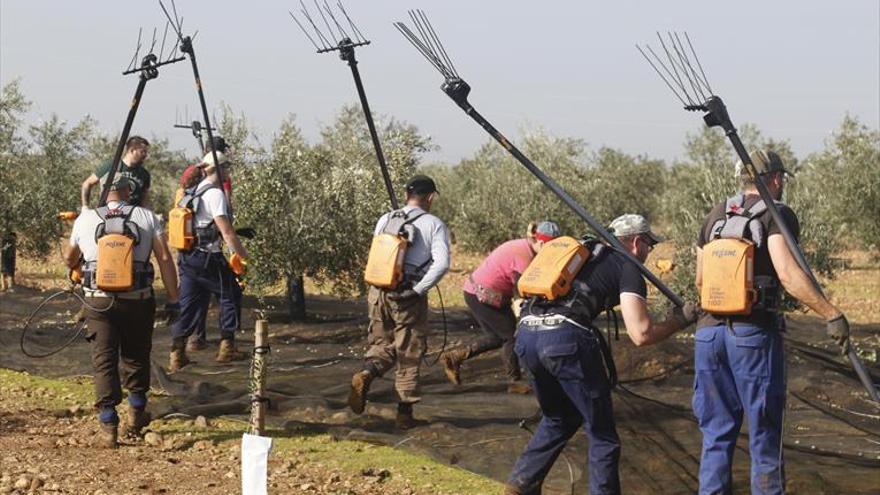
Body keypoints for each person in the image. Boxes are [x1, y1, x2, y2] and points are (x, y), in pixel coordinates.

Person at [692, 150, 850, 495]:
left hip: (708, 335)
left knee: (716, 434)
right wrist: (831, 313)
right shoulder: (775, 213)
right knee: (765, 436)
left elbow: (701, 280)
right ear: (775, 178)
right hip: (753, 336)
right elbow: (789, 274)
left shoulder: (716, 214)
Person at [505, 214, 698, 495]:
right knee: (602, 434)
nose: (649, 252)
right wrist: (681, 320)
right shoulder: (628, 266)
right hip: (565, 340)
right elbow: (640, 333)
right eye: (648, 245)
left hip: (526, 335)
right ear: (634, 242)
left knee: (560, 417)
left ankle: (520, 485)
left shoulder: (583, 256)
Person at [63, 176, 179, 448]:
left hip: (98, 302)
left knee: (103, 359)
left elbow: (70, 258)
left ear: (103, 192)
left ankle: (108, 424)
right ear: (128, 190)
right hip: (137, 300)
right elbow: (164, 258)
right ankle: (137, 413)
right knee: (136, 355)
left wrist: (78, 259)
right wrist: (174, 298)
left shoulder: (86, 218)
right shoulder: (147, 217)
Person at [348, 175, 451, 429]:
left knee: (382, 343)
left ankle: (367, 373)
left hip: (378, 291)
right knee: (409, 350)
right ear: (430, 197)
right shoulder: (433, 224)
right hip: (407, 295)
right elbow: (442, 263)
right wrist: (418, 290)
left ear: (407, 195)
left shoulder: (386, 218)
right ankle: (405, 414)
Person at [440, 221, 562, 394]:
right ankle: (514, 382)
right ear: (541, 243)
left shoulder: (524, 247)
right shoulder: (523, 255)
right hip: (482, 295)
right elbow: (523, 290)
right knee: (510, 336)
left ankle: (456, 356)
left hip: (479, 292)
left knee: (496, 337)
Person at [169, 151, 249, 371]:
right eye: (227, 168)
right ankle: (227, 347)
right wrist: (243, 257)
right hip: (207, 257)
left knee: (189, 304)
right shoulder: (215, 194)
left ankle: (177, 353)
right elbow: (227, 231)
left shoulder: (194, 191)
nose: (228, 171)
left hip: (187, 258)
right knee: (231, 293)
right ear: (220, 169)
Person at [81, 136, 152, 209]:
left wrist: (150, 215)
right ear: (132, 150)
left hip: (133, 216)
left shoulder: (144, 174)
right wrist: (85, 208)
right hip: (110, 214)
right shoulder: (111, 166)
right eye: (142, 152)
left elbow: (145, 198)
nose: (145, 155)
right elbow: (87, 184)